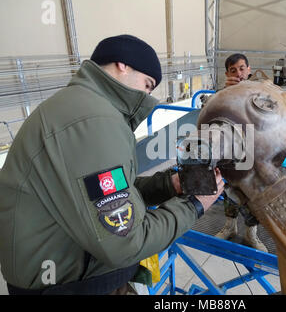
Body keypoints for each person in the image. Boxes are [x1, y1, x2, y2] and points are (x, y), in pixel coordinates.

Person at [0, 34, 224, 295]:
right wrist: (194, 205)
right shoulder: (94, 121)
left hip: (62, 272)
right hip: (72, 285)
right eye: (148, 84)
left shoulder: (75, 107)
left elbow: (103, 192)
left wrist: (168, 185)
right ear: (123, 65)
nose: (148, 95)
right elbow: (126, 244)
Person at [215, 53, 267, 252]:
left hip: (255, 151)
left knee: (252, 192)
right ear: (227, 73)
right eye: (233, 70)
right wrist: (225, 93)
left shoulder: (260, 90)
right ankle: (229, 226)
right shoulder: (223, 93)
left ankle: (251, 233)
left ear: (249, 69)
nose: (239, 73)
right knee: (230, 189)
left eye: (242, 68)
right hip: (230, 150)